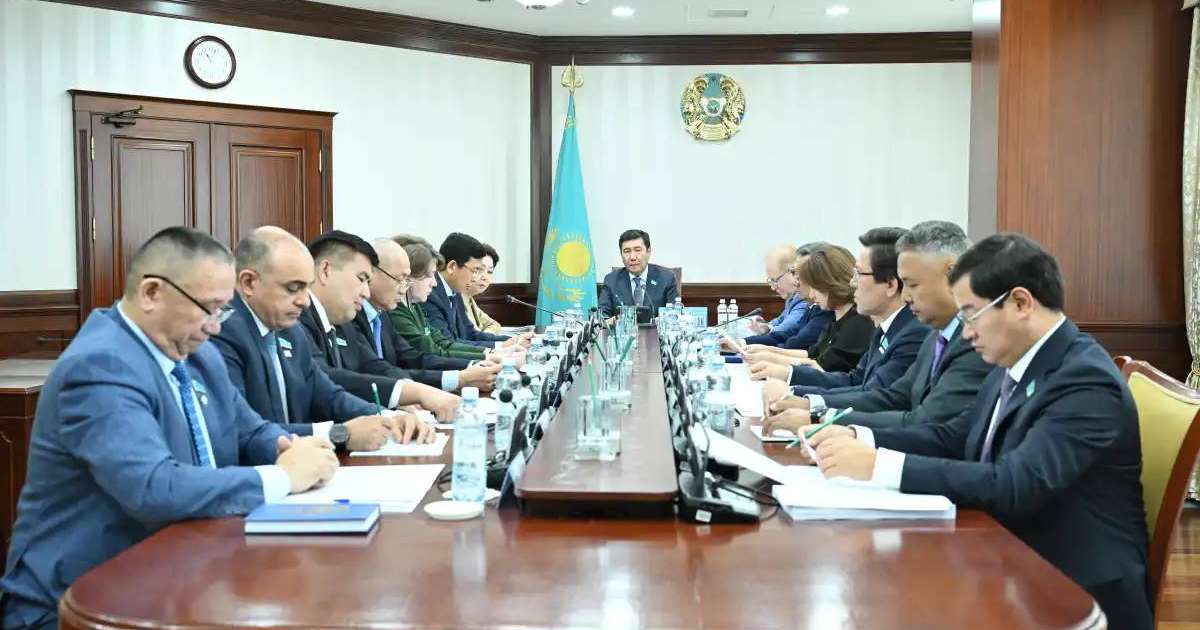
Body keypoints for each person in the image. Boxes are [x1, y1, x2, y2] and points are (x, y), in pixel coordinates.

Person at [804, 233, 1153, 630]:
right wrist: (859, 438)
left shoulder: (1084, 381)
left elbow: (1016, 483)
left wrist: (880, 467)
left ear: (1021, 302)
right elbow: (954, 436)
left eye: (970, 314)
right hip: (1012, 554)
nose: (965, 333)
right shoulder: (1017, 362)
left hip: (1072, 587)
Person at [0, 227, 338, 630]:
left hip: (182, 576)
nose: (216, 327)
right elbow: (153, 488)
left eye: (223, 310)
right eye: (208, 309)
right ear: (152, 294)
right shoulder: (99, 367)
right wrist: (282, 476)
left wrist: (286, 446)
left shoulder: (197, 354)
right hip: (78, 603)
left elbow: (248, 430)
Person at [211, 226, 431, 451]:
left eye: (306, 288)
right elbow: (243, 432)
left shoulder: (291, 331)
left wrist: (386, 418)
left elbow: (328, 394)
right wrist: (339, 434)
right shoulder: (221, 332)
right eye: (293, 288)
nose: (305, 301)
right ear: (248, 283)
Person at [762, 221, 991, 434]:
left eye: (912, 284)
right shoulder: (934, 334)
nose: (907, 296)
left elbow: (928, 426)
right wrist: (809, 403)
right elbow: (891, 395)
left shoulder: (959, 338)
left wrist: (820, 418)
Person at [300, 230, 459, 424]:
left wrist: (409, 394)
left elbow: (372, 366)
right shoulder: (297, 320)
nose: (366, 292)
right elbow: (326, 381)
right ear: (325, 270)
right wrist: (396, 407)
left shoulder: (341, 321)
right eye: (361, 278)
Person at [750, 228, 927, 393]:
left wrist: (802, 399)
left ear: (890, 285)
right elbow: (856, 381)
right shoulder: (884, 327)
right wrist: (790, 379)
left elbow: (877, 397)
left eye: (859, 274)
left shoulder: (911, 333)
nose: (852, 282)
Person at [350, 238, 500, 392]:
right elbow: (376, 374)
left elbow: (412, 356)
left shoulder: (384, 314)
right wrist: (464, 375)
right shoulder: (359, 317)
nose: (434, 284)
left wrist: (474, 366)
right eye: (400, 279)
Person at [389, 236, 519, 364]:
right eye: (475, 270)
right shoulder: (420, 300)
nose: (476, 278)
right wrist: (489, 356)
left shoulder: (419, 303)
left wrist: (499, 349)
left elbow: (448, 340)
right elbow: (434, 350)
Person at [747, 245, 874, 373]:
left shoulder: (857, 322)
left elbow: (822, 368)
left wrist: (772, 359)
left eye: (815, 288)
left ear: (831, 284)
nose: (812, 295)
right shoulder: (836, 318)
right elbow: (812, 354)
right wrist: (767, 352)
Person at [422, 232, 531, 349]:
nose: (476, 277)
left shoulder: (454, 290)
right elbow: (447, 344)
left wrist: (513, 340)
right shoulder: (430, 295)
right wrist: (500, 347)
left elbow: (470, 333)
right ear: (452, 267)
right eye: (475, 270)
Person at [741, 243, 820, 346]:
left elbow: (785, 331)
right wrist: (766, 327)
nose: (773, 287)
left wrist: (742, 342)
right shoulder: (793, 297)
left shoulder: (805, 298)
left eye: (775, 280)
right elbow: (780, 321)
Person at [598, 229, 680, 321]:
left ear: (648, 252)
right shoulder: (611, 280)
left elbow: (675, 315)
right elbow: (602, 315)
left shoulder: (666, 278)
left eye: (637, 250)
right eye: (627, 251)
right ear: (621, 254)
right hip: (623, 334)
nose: (632, 257)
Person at [462, 242, 504, 334]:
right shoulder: (456, 299)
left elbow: (494, 324)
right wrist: (483, 337)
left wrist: (483, 336)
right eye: (479, 269)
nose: (485, 277)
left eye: (490, 271)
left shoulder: (469, 299)